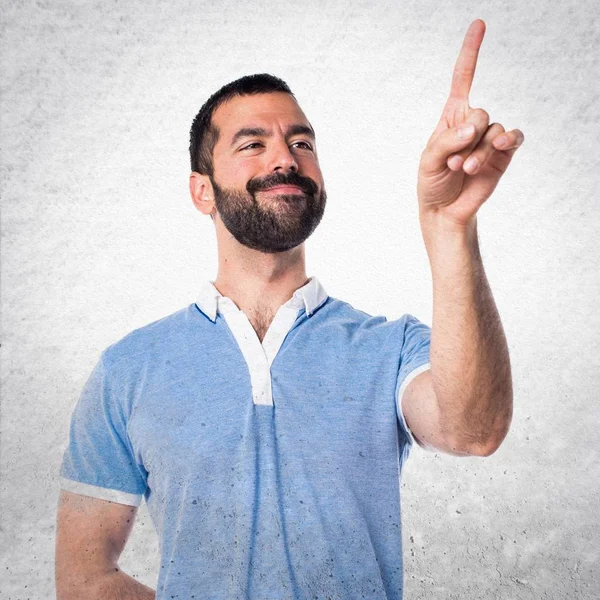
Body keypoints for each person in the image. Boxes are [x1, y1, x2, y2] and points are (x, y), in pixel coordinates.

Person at [55, 19, 523, 600]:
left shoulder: (389, 349)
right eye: (254, 144)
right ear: (202, 191)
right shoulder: (128, 371)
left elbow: (473, 432)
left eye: (302, 143)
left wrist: (450, 225)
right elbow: (84, 578)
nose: (286, 158)